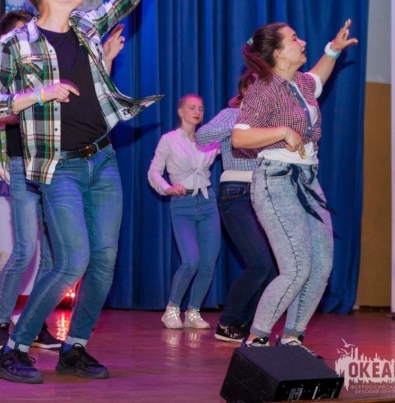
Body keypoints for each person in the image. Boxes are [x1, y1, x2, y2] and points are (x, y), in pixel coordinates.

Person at [0, 0, 179, 383]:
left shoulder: (87, 27)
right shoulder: (15, 44)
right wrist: (38, 93)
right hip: (58, 166)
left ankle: (76, 347)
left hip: (102, 160)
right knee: (72, 260)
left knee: (104, 262)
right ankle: (14, 348)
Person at [0, 11, 125, 351]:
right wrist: (37, 98)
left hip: (59, 162)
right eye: (22, 34)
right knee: (26, 248)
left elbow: (84, 102)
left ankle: (35, 325)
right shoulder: (11, 69)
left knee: (54, 255)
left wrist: (104, 60)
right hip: (22, 163)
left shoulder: (53, 65)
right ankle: (1, 324)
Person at [233, 20, 357, 349]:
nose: (302, 42)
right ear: (279, 54)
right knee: (297, 266)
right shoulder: (263, 89)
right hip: (276, 181)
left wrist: (333, 49)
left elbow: (319, 77)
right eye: (294, 39)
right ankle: (257, 339)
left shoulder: (300, 82)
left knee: (321, 265)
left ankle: (292, 338)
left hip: (307, 181)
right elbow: (240, 137)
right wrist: (283, 132)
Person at [196, 72, 276, 342]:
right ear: (243, 91)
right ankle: (227, 322)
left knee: (271, 270)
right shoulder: (232, 114)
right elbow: (202, 136)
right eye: (252, 88)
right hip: (236, 192)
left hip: (265, 194)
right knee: (259, 263)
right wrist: (240, 121)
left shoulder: (270, 122)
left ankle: (245, 325)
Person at [148, 94, 221, 331]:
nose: (197, 112)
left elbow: (235, 144)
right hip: (183, 204)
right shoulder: (169, 140)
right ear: (181, 111)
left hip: (208, 203)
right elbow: (154, 171)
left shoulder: (208, 140)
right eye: (192, 108)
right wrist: (168, 188)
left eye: (201, 108)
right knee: (191, 260)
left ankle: (193, 312)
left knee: (208, 263)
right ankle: (171, 309)